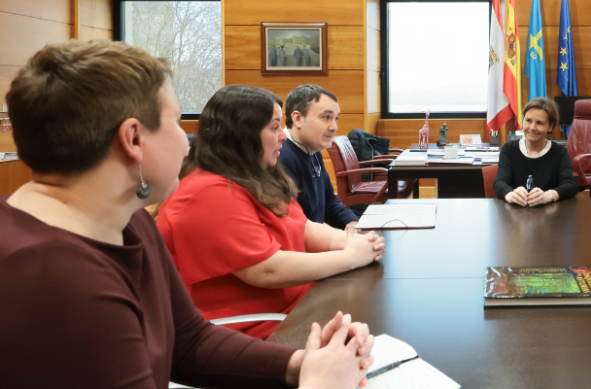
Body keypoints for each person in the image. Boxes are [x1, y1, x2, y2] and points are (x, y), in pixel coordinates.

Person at [0, 39, 374, 388]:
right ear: (133, 139)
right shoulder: (54, 279)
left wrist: (299, 364)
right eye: (177, 122)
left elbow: (188, 339)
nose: (187, 141)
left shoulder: (124, 218)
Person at [157, 84, 385, 340]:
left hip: (296, 306)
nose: (283, 136)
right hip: (253, 330)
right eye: (275, 127)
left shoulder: (255, 175)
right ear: (244, 133)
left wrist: (354, 241)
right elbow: (266, 270)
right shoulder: (207, 192)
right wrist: (352, 256)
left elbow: (304, 227)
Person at [279, 84, 358, 229]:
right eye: (326, 117)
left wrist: (353, 225)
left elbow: (328, 201)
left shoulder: (311, 149)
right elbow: (292, 226)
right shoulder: (280, 157)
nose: (334, 127)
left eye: (336, 119)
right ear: (297, 118)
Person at [494, 97, 578, 206]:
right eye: (528, 120)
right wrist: (509, 194)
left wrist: (549, 195)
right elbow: (500, 182)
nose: (532, 128)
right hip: (515, 214)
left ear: (550, 126)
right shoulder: (509, 149)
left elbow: (571, 185)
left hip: (550, 216)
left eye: (539, 123)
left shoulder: (560, 152)